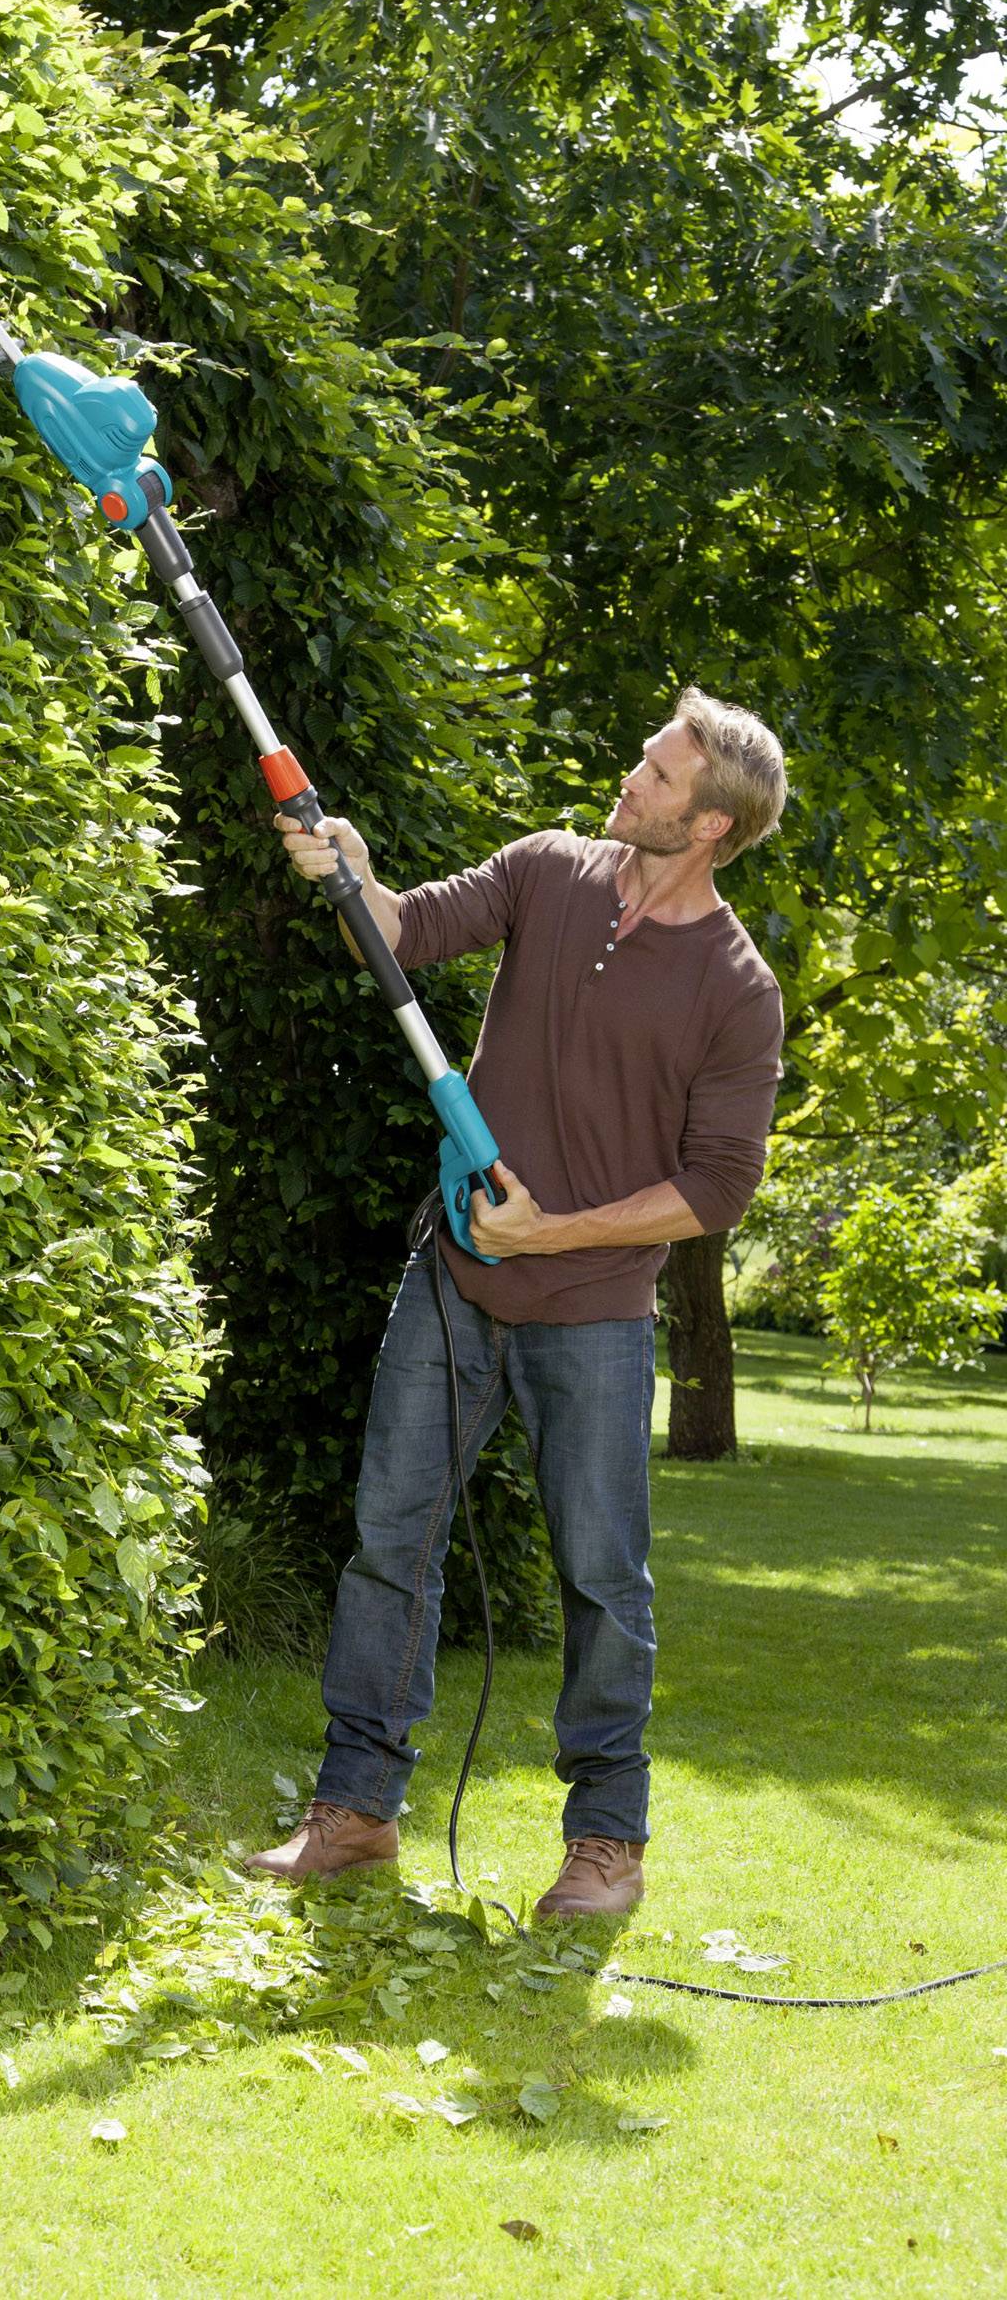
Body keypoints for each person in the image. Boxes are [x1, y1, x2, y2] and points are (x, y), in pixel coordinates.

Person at [245, 687, 788, 1917]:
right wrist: (354, 874)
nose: (631, 780)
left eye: (658, 775)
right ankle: (355, 1812)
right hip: (455, 1281)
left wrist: (553, 1231)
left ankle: (606, 1843)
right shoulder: (548, 870)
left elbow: (717, 1189)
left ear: (710, 823)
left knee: (603, 1582)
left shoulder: (735, 988)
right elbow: (402, 934)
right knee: (391, 1543)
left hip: (595, 1313)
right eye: (644, 758)